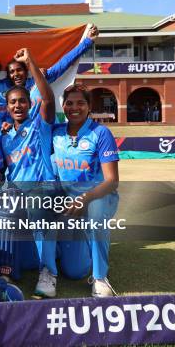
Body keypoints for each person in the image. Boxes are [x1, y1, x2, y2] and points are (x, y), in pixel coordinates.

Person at [52, 84, 120, 298]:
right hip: (69, 203)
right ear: (63, 106)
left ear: (89, 106)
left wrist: (85, 198)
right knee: (75, 272)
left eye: (81, 103)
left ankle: (100, 278)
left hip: (98, 197)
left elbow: (112, 181)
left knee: (96, 213)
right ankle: (78, 247)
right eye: (69, 103)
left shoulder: (101, 133)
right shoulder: (56, 133)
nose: (75, 107)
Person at [0, 48, 55, 288]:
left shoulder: (39, 125)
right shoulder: (4, 136)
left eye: (23, 101)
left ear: (30, 103)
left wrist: (30, 62)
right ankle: (5, 271)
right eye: (13, 102)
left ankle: (48, 273)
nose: (18, 105)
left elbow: (49, 98)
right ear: (7, 107)